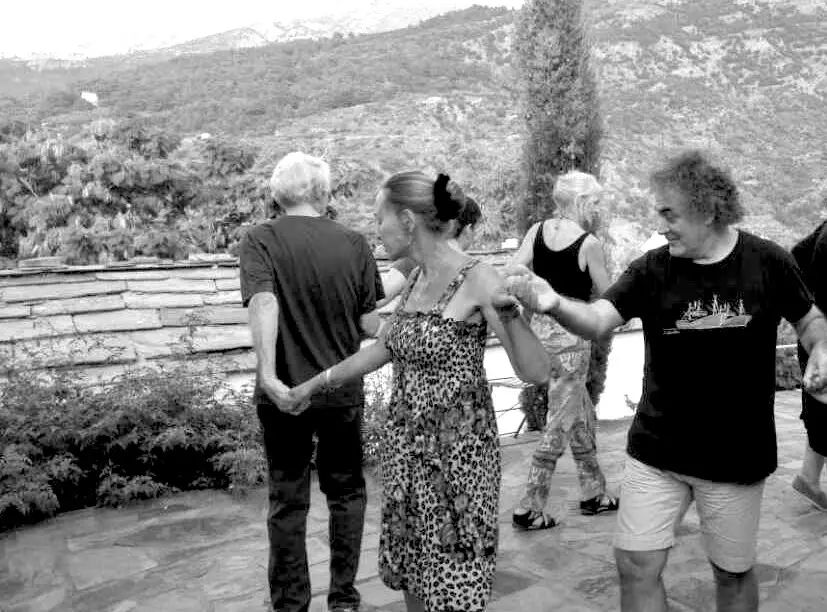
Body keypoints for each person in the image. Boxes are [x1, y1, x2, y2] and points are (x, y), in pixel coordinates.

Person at [502, 150, 827, 612]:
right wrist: (552, 302)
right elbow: (598, 319)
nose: (661, 226)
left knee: (732, 575)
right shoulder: (651, 268)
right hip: (657, 450)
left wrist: (822, 347)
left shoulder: (768, 261)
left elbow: (810, 320)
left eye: (669, 214)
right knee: (635, 565)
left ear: (708, 210)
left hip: (735, 455)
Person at [280, 171, 550, 612]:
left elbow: (536, 371)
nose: (376, 230)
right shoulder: (417, 279)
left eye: (379, 218)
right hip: (406, 455)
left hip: (457, 464)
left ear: (407, 220)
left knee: (454, 585)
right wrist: (315, 384)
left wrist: (513, 315)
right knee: (416, 576)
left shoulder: (479, 278)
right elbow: (381, 350)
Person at [239, 152, 384, 612]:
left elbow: (264, 302)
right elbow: (367, 322)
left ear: (277, 194)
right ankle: (343, 598)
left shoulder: (260, 239)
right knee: (346, 493)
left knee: (287, 499)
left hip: (283, 395)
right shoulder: (354, 243)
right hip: (340, 391)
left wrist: (268, 375)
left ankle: (291, 605)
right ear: (323, 193)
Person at [510, 170, 619, 531]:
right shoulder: (589, 244)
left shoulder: (536, 231)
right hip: (572, 338)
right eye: (596, 202)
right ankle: (530, 504)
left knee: (577, 409)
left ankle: (594, 492)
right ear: (581, 201)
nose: (598, 209)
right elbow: (609, 296)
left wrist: (532, 297)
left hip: (539, 332)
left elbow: (512, 271)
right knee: (559, 419)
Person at [377, 195, 483, 308]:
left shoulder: (418, 260)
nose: (477, 235)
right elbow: (378, 298)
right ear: (468, 229)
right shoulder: (417, 261)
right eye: (477, 228)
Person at [791, 216, 827, 511]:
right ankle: (808, 479)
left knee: (821, 408)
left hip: (815, 332)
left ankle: (808, 478)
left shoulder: (821, 233)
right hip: (820, 335)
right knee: (822, 407)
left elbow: (795, 257)